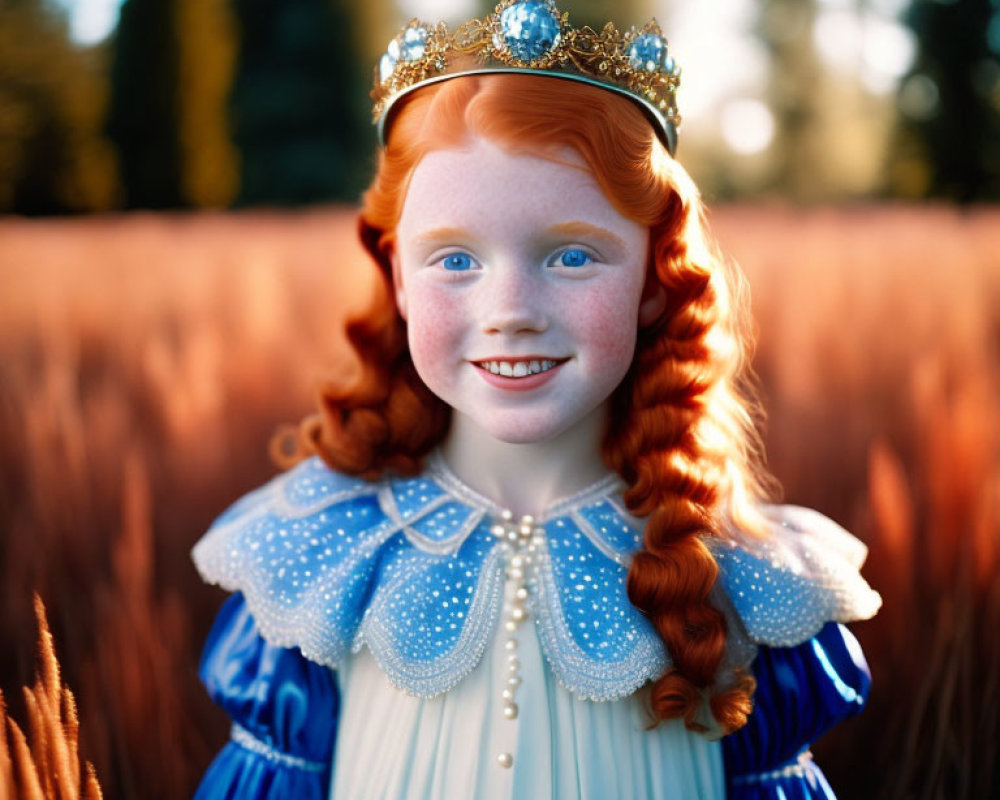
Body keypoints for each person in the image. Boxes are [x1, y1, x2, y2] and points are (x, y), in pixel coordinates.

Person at [191, 2, 882, 797]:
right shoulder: (320, 552)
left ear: (656, 279)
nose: (511, 308)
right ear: (398, 279)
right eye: (454, 258)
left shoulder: (744, 578)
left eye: (573, 254)